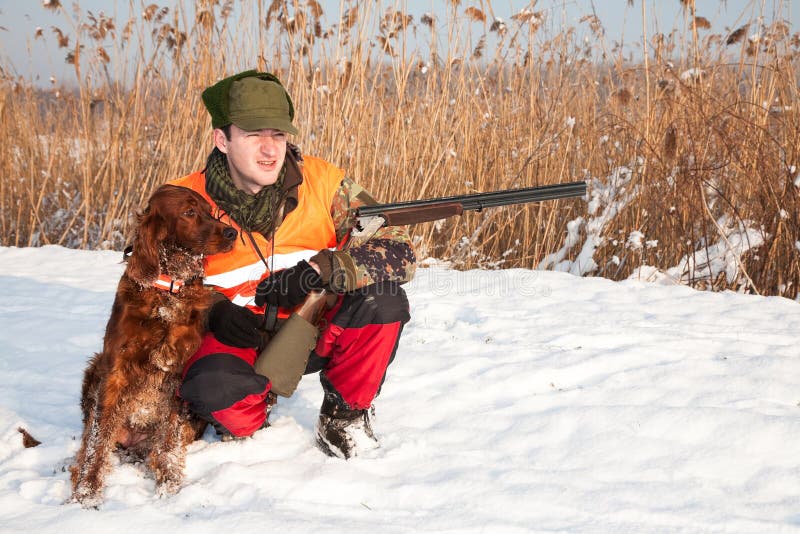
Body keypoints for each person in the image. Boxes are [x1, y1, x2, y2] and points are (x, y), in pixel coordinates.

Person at [169, 70, 416, 459]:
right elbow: (151, 281)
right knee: (214, 391)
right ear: (222, 139)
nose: (270, 150)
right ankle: (251, 407)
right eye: (253, 135)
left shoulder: (324, 182)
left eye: (279, 135)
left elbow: (398, 248)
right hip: (236, 339)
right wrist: (210, 309)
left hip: (310, 327)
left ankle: (344, 417)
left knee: (383, 299)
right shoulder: (182, 199)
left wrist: (321, 270)